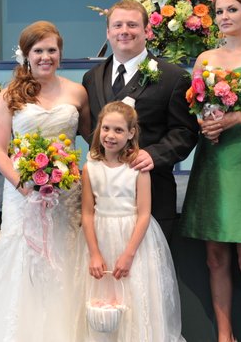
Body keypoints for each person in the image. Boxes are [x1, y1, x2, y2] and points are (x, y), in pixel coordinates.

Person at [0, 21, 90, 342]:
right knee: (24, 261)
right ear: (26, 55)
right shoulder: (9, 95)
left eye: (52, 50)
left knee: (64, 255)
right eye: (38, 50)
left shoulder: (77, 92)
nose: (45, 56)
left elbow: (92, 140)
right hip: (22, 194)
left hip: (66, 194)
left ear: (60, 54)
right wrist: (24, 185)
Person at [179, 0, 241, 342]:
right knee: (215, 258)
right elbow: (195, 110)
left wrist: (239, 119)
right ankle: (224, 335)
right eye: (219, 12)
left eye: (232, 10)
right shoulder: (205, 59)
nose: (224, 18)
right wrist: (205, 124)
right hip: (213, 160)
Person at [83, 0, 199, 240]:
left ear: (147, 31)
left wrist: (153, 155)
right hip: (104, 199)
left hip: (153, 193)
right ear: (108, 32)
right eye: (117, 25)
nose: (124, 31)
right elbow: (91, 129)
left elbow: (185, 132)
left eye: (132, 25)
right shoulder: (92, 78)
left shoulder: (173, 78)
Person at [73, 101, 186, 341]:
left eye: (118, 130)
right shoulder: (89, 167)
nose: (110, 136)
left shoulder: (138, 168)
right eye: (106, 129)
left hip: (132, 240)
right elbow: (87, 213)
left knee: (133, 298)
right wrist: (94, 253)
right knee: (102, 300)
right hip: (100, 238)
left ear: (131, 133)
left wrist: (128, 254)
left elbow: (144, 213)